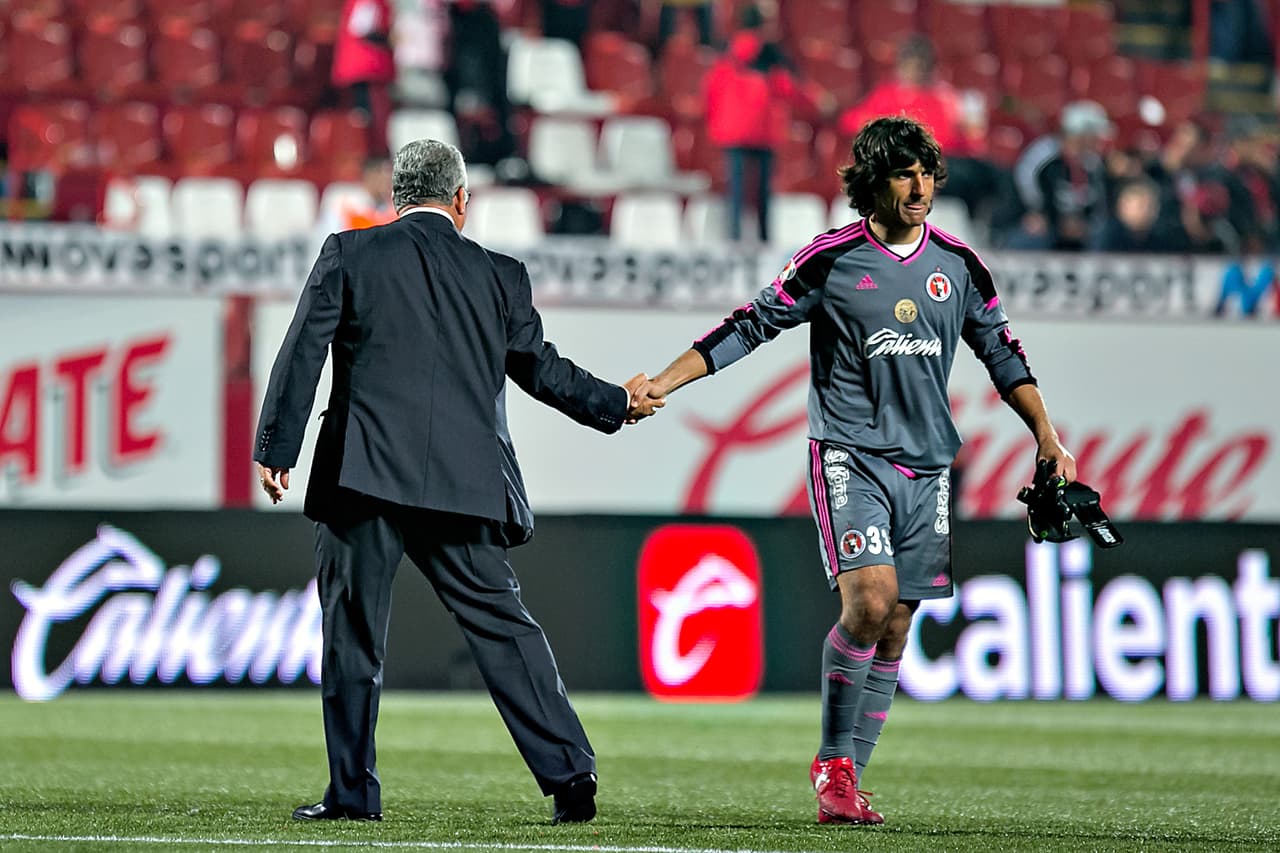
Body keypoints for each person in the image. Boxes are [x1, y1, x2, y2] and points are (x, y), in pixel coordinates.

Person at [633, 116, 1076, 825]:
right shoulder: (831, 259)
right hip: (850, 453)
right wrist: (663, 380)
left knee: (895, 627)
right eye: (904, 174)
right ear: (872, 183)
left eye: (926, 173)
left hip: (928, 466)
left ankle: (847, 783)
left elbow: (1002, 352)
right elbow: (750, 323)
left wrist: (1047, 435)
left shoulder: (960, 266)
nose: (919, 187)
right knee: (869, 603)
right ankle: (833, 764)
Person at [254, 139, 663, 824]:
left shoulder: (350, 253)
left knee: (352, 636)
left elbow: (303, 350)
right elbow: (541, 369)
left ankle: (353, 794)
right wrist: (615, 402)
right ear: (462, 200)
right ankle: (571, 773)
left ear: (395, 198)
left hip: (363, 477)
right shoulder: (499, 274)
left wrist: (278, 445)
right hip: (464, 483)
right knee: (504, 627)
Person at [703, 2, 821, 242]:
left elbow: (712, 88)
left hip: (733, 129)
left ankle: (734, 237)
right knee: (762, 191)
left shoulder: (726, 51)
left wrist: (715, 123)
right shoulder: (770, 52)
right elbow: (786, 85)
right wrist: (817, 99)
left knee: (736, 188)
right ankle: (764, 237)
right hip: (762, 128)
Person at [332, 0, 397, 156]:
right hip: (366, 68)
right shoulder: (369, 1)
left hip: (363, 68)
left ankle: (367, 152)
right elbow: (361, 28)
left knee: (366, 114)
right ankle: (370, 154)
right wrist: (390, 39)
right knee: (368, 116)